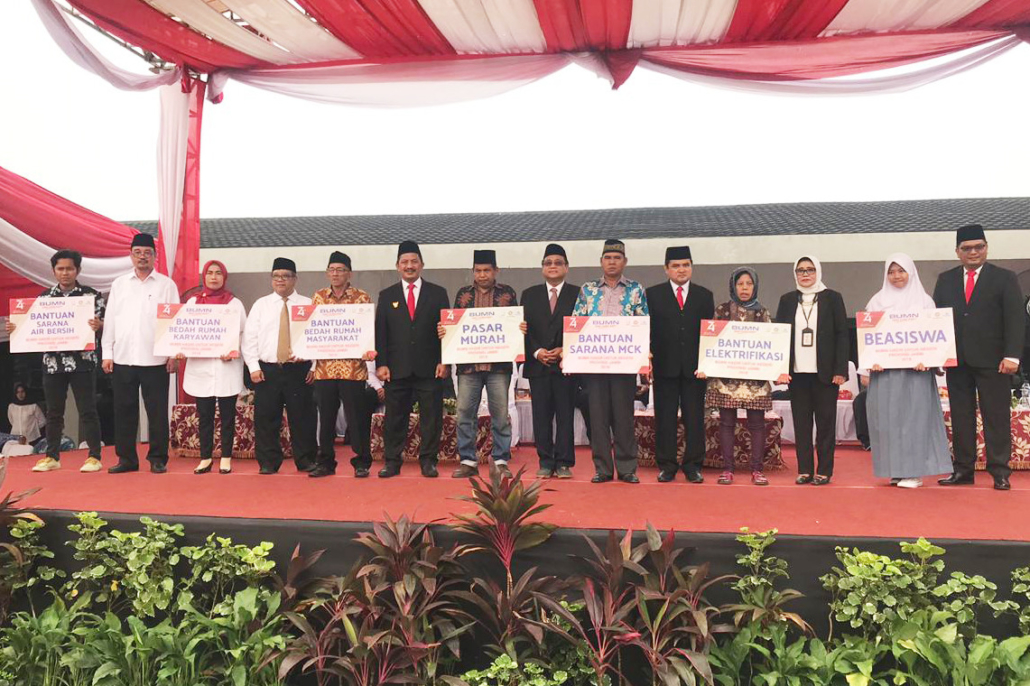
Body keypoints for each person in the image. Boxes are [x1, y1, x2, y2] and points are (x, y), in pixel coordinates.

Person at [933, 224, 1024, 490]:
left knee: (996, 417)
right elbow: (938, 319)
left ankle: (1000, 472)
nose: (973, 252)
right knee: (961, 417)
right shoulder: (945, 279)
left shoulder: (1005, 278)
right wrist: (939, 355)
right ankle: (963, 470)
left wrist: (1012, 356)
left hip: (995, 362)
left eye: (978, 247)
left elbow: (1015, 319)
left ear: (986, 248)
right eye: (967, 248)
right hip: (957, 361)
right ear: (957, 251)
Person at [5, 250, 105, 472]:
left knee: (87, 410)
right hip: (53, 363)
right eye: (60, 269)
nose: (65, 273)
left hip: (82, 362)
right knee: (53, 412)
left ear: (78, 270)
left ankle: (94, 456)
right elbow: (31, 328)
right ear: (53, 271)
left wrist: (100, 326)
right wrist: (16, 328)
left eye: (69, 268)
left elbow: (105, 327)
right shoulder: (44, 299)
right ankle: (52, 456)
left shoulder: (91, 296)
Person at [861, 254, 952, 488]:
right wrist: (870, 363)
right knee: (887, 422)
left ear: (911, 272)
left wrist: (929, 359)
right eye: (891, 272)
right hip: (885, 374)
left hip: (916, 374)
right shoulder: (877, 301)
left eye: (901, 271)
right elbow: (867, 338)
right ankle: (896, 470)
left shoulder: (924, 301)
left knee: (914, 420)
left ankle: (913, 473)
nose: (896, 276)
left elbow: (935, 336)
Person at [101, 233, 180, 474]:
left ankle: (157, 458)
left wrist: (173, 354)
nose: (142, 257)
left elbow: (174, 320)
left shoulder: (166, 285)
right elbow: (111, 320)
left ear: (154, 256)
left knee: (156, 411)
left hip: (155, 358)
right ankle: (126, 459)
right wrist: (107, 353)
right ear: (131, 256)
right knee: (123, 410)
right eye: (137, 252)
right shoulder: (119, 284)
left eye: (147, 253)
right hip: (123, 358)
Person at [572, 239, 649, 484]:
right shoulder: (587, 290)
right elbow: (576, 323)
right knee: (598, 418)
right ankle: (602, 469)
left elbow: (643, 325)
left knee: (623, 417)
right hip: (594, 365)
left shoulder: (636, 289)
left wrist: (644, 357)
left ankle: (627, 468)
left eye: (617, 258)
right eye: (608, 258)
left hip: (624, 364)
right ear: (601, 262)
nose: (612, 262)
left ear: (624, 262)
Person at [375, 241, 450, 478]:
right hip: (397, 368)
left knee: (431, 418)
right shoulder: (387, 295)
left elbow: (447, 331)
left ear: (422, 265)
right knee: (395, 418)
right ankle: (392, 461)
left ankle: (428, 461)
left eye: (414, 262)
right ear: (397, 266)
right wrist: (381, 364)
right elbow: (381, 332)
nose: (409, 266)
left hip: (430, 367)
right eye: (404, 262)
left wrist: (444, 360)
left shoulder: (438, 293)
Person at [443, 250, 520, 479]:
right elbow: (454, 327)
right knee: (465, 413)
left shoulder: (507, 293)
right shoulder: (463, 294)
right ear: (473, 272)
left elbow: (513, 325)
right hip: (469, 367)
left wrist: (521, 328)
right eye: (478, 270)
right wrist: (445, 330)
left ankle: (500, 461)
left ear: (496, 271)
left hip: (499, 367)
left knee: (500, 414)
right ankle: (468, 461)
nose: (482, 274)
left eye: (487, 270)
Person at [775, 256, 848, 486]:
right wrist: (780, 369)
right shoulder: (787, 300)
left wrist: (840, 369)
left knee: (825, 424)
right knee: (802, 424)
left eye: (810, 269)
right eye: (801, 270)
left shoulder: (833, 298)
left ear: (818, 272)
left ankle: (824, 470)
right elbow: (780, 335)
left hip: (825, 374)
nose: (805, 274)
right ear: (795, 273)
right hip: (797, 374)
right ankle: (805, 470)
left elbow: (842, 335)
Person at [242, 257, 317, 475]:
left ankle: (306, 460)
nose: (280, 280)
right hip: (268, 370)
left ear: (295, 279)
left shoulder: (308, 304)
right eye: (276, 276)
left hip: (300, 371)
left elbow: (318, 337)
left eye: (285, 276)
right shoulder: (261, 305)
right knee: (266, 418)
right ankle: (268, 462)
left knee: (303, 417)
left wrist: (314, 366)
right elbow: (249, 338)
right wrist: (253, 367)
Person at [646, 246, 715, 483]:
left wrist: (707, 363)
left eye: (686, 265)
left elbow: (709, 333)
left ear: (692, 267)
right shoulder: (652, 295)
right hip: (664, 367)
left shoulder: (704, 295)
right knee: (664, 419)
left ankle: (693, 466)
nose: (681, 270)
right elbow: (647, 330)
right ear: (666, 269)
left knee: (694, 419)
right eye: (675, 266)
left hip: (695, 370)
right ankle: (667, 466)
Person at [697, 267, 770, 486]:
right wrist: (705, 365)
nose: (744, 288)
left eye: (749, 284)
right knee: (726, 423)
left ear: (755, 286)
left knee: (757, 424)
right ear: (733, 286)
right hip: (726, 377)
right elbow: (711, 342)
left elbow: (772, 344)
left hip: (755, 378)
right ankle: (728, 469)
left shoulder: (762, 313)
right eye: (740, 284)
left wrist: (778, 370)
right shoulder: (722, 311)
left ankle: (757, 470)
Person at [311, 251, 375, 479]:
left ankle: (361, 462)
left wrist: (369, 348)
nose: (335, 274)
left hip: (353, 369)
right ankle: (325, 463)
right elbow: (310, 330)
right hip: (325, 369)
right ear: (327, 273)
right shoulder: (318, 297)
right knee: (326, 418)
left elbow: (368, 330)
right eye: (332, 270)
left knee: (356, 419)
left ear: (349, 273)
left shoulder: (361, 297)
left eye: (340, 270)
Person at [179, 260, 246, 476]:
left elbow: (243, 334)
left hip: (226, 367)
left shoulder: (234, 303)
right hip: (201, 368)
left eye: (218, 273)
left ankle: (226, 457)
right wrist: (179, 349)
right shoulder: (192, 303)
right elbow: (183, 331)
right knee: (205, 416)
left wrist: (233, 350)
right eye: (209, 273)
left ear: (224, 277)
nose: (214, 277)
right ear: (204, 276)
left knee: (227, 416)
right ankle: (205, 458)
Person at [521, 244, 580, 479]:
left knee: (565, 416)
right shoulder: (529, 294)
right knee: (541, 417)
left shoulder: (579, 294)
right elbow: (523, 330)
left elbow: (583, 327)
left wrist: (565, 349)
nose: (553, 266)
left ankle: (564, 463)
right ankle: (545, 462)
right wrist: (536, 352)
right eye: (548, 263)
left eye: (558, 263)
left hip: (567, 365)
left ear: (566, 267)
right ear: (542, 268)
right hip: (538, 365)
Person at [4, 383, 45, 449]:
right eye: (18, 392)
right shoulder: (12, 406)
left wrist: (34, 429)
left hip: (31, 438)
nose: (20, 394)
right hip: (16, 438)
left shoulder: (33, 406)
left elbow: (42, 421)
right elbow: (11, 420)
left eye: (22, 391)